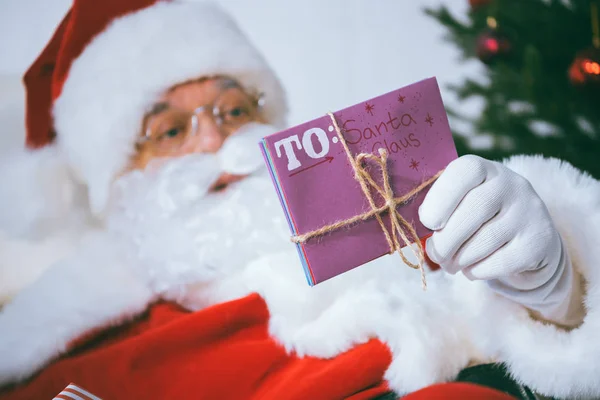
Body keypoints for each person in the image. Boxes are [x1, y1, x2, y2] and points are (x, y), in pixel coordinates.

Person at [0, 0, 598, 399]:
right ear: (115, 188)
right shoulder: (77, 357)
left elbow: (522, 339)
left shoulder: (404, 234)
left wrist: (558, 291)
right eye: (170, 130)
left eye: (236, 110)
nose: (218, 138)